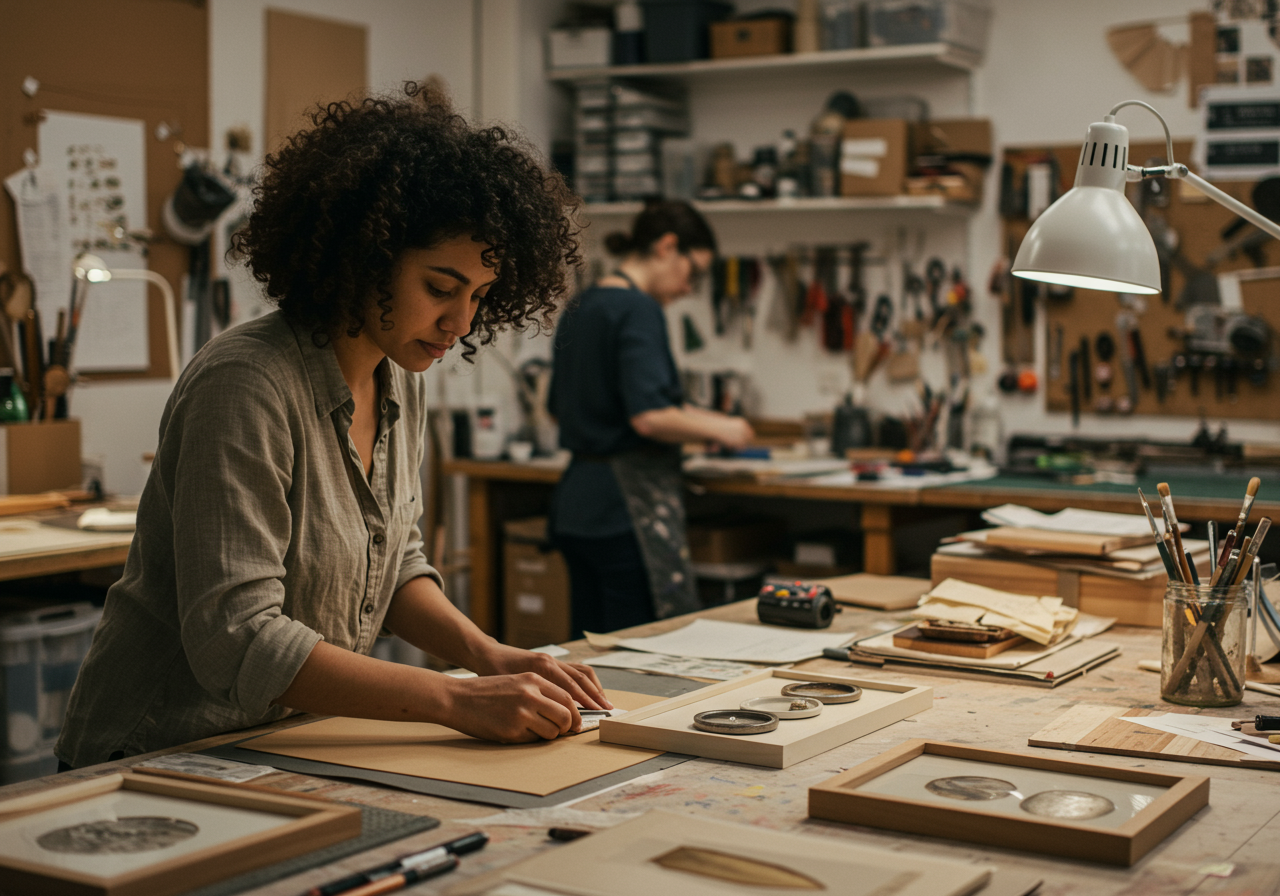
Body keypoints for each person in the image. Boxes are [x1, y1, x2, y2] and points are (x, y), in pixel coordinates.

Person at [56, 84, 610, 770]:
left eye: (479, 296)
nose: (461, 324)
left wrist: (486, 655)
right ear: (365, 256)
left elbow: (394, 563)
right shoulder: (248, 384)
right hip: (155, 755)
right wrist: (454, 699)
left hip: (284, 746)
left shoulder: (398, 374)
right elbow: (240, 637)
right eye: (440, 288)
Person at [547, 200, 754, 639]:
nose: (688, 288)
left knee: (590, 652)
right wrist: (727, 427)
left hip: (576, 506)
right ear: (666, 246)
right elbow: (650, 417)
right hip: (625, 509)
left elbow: (557, 407)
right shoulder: (637, 310)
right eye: (692, 272)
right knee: (643, 652)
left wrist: (694, 421)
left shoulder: (582, 306)